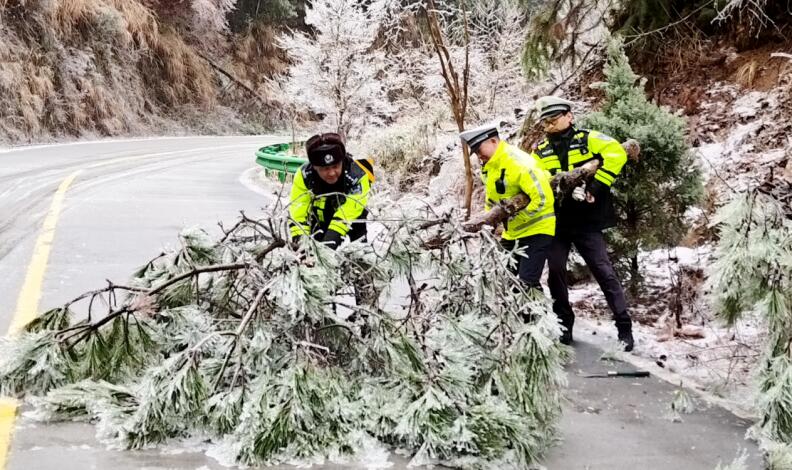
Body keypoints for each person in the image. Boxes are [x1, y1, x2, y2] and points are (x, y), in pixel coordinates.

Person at [530, 95, 634, 351]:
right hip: (557, 223)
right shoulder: (540, 151)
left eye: (556, 117)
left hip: (587, 221)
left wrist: (597, 186)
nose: (552, 123)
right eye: (548, 120)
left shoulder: (589, 139)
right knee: (555, 272)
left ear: (569, 116)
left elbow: (616, 153)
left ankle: (624, 326)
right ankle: (564, 323)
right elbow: (537, 179)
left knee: (604, 272)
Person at [460, 124, 555, 292]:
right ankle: (519, 315)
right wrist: (490, 220)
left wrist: (513, 218)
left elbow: (542, 199)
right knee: (502, 276)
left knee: (526, 283)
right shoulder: (490, 167)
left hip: (537, 230)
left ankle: (538, 317)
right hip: (512, 233)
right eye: (475, 152)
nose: (478, 155)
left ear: (493, 141)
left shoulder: (519, 162)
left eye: (479, 149)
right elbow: (493, 198)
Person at [289, 132, 373, 249]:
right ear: (315, 167)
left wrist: (329, 245)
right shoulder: (304, 175)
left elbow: (349, 212)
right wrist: (301, 247)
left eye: (336, 166)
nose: (332, 173)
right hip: (318, 222)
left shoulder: (357, 175)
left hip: (352, 224)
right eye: (325, 169)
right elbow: (298, 212)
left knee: (356, 253)